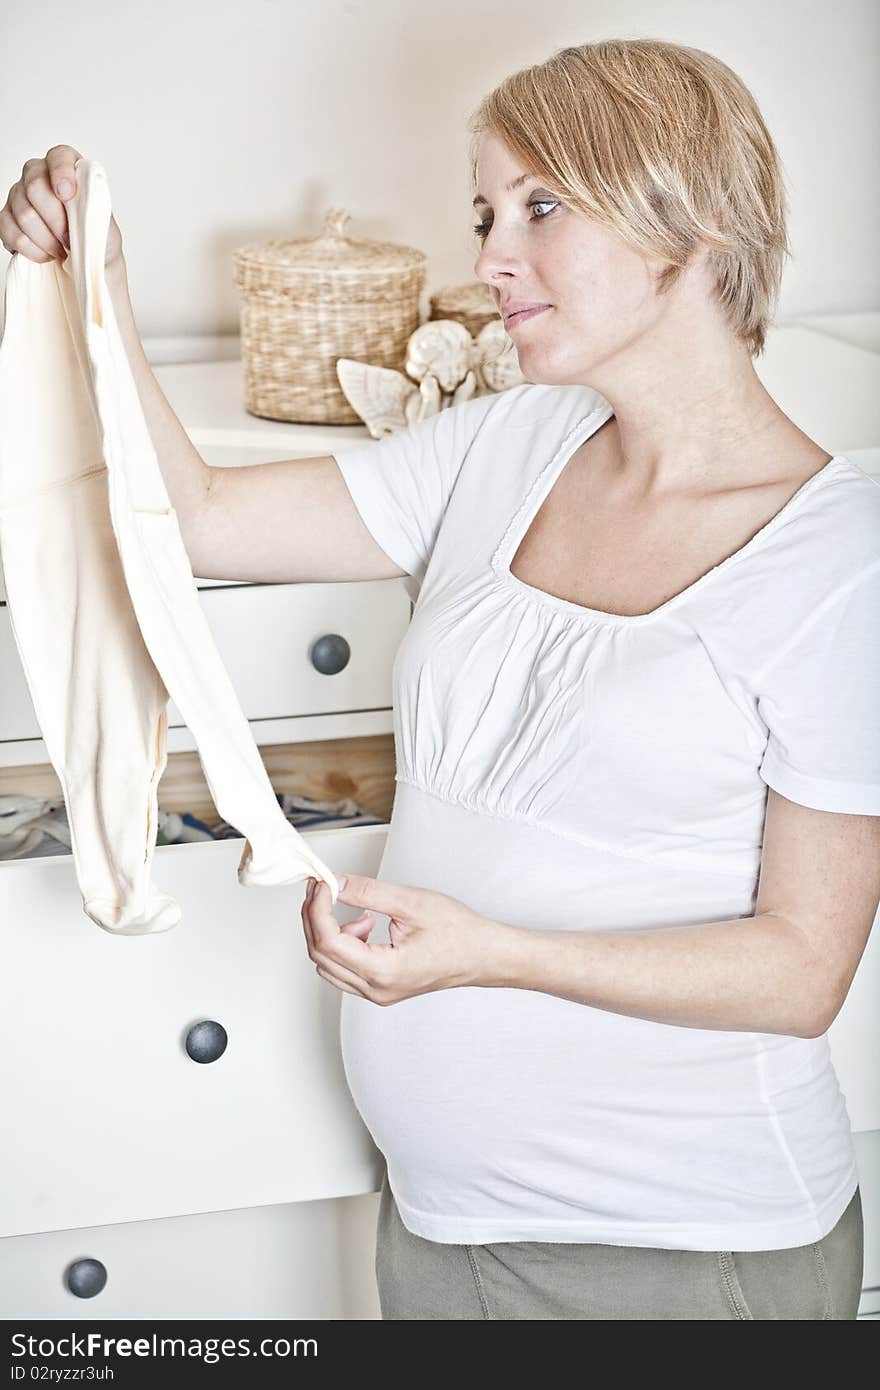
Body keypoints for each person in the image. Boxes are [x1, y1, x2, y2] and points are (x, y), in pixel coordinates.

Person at [3, 37, 877, 1321]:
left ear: (685, 224)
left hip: (683, 1256)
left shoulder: (838, 562)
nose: (488, 257)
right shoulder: (509, 442)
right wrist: (98, 287)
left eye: (541, 207)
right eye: (484, 213)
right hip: (438, 1228)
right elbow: (193, 519)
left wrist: (492, 956)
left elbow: (800, 970)